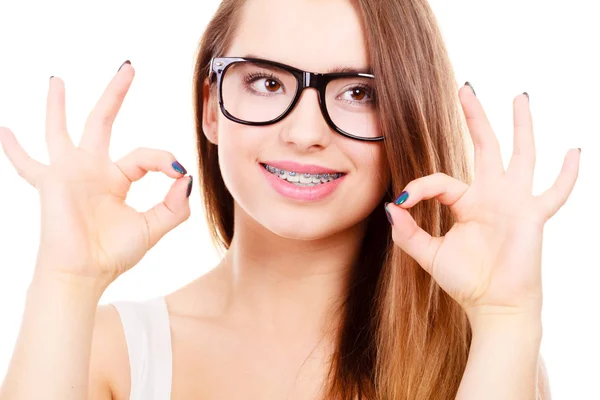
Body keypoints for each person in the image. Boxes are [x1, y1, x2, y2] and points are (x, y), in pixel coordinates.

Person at [0, 0, 580, 398]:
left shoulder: (478, 355)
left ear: (406, 114)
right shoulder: (111, 350)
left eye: (358, 92)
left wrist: (506, 318)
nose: (305, 132)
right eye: (267, 82)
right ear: (210, 105)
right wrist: (65, 281)